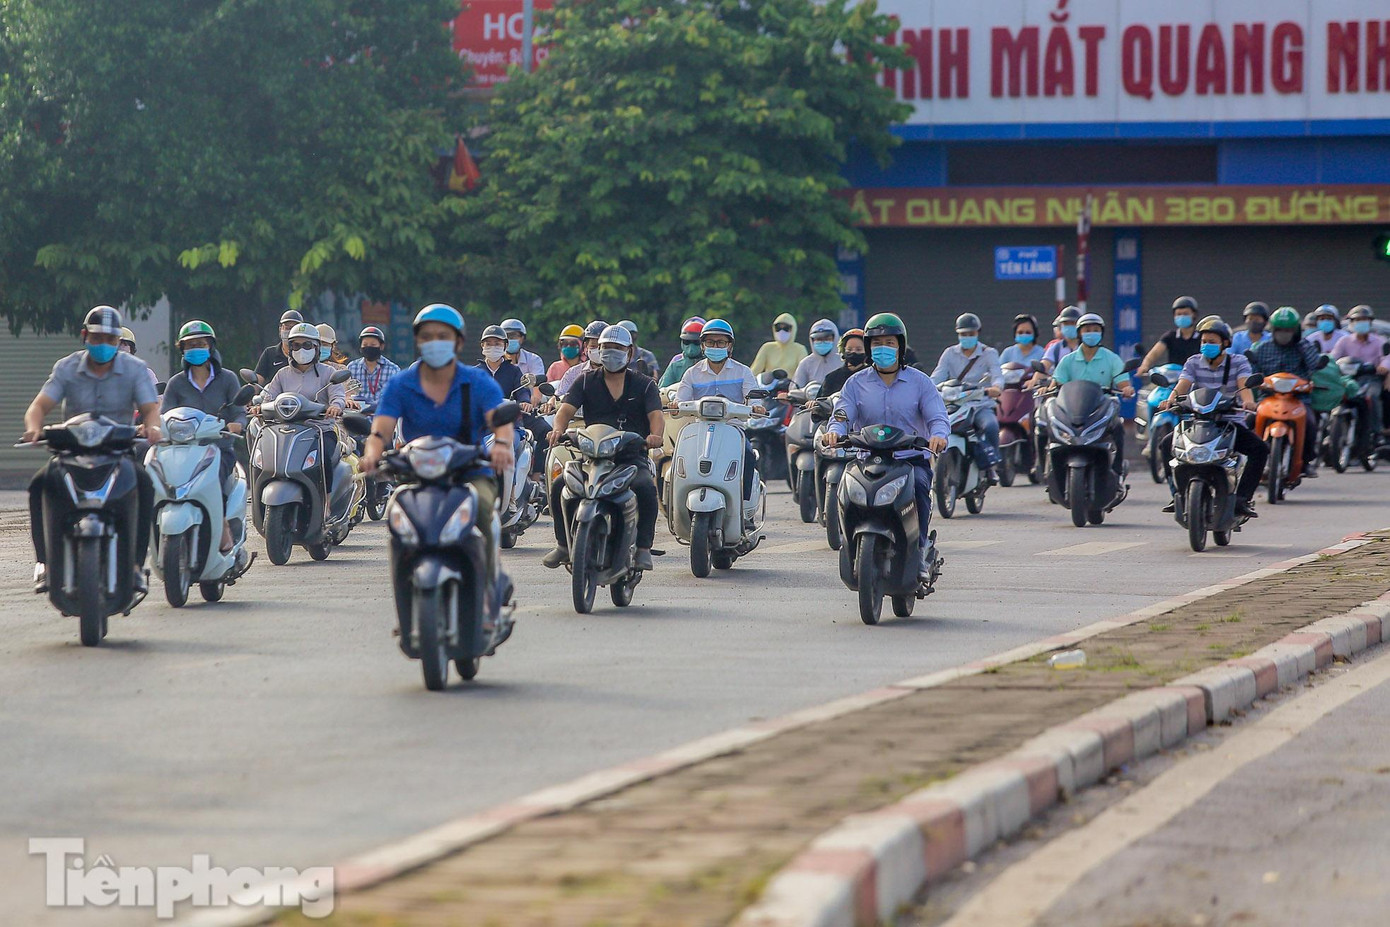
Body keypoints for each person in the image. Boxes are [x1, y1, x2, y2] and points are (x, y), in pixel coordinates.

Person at [361, 304, 514, 588]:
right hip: (415, 476)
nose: (435, 342)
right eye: (427, 336)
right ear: (418, 341)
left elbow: (499, 419)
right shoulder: (401, 384)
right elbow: (381, 429)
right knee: (397, 519)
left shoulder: (477, 381)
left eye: (443, 336)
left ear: (458, 341)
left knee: (483, 509)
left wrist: (503, 444)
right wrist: (372, 454)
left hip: (468, 473)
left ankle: (492, 581)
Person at [22, 306, 161, 594]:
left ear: (118, 341)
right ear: (85, 336)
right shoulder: (66, 367)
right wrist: (35, 427)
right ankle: (45, 564)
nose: (104, 345)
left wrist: (152, 426)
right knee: (39, 485)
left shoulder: (135, 369)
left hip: (117, 454)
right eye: (97, 338)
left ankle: (136, 566)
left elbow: (150, 409)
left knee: (145, 484)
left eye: (111, 340)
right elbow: (39, 407)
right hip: (71, 454)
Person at [824, 312, 948, 581]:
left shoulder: (920, 382)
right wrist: (834, 432)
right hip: (867, 460)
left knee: (919, 486)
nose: (883, 349)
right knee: (845, 490)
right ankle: (849, 545)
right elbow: (842, 415)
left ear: (901, 347)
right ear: (869, 348)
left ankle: (921, 547)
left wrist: (938, 436)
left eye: (890, 343)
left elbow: (937, 417)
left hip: (909, 459)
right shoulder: (855, 383)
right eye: (877, 344)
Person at [543, 325, 663, 571]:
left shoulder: (644, 384)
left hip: (630, 457)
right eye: (606, 347)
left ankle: (643, 548)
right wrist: (558, 428)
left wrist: (655, 436)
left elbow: (656, 416)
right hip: (591, 456)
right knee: (558, 485)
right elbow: (565, 410)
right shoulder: (585, 380)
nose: (611, 353)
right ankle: (563, 545)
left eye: (618, 348)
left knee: (646, 488)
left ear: (629, 353)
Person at [1159, 320, 1267, 518]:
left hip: (1229, 422)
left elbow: (1245, 386)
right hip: (1197, 421)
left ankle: (1242, 499)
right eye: (1203, 341)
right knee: (1167, 444)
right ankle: (1177, 495)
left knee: (1260, 449)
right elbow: (1183, 385)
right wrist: (1170, 400)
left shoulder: (1238, 362)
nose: (1206, 345)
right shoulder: (1193, 362)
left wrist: (1248, 402)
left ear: (1225, 343)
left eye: (1212, 341)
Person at [159, 320, 248, 552]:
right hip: (182, 451)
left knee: (213, 477)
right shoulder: (176, 383)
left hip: (218, 449)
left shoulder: (228, 379)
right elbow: (163, 415)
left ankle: (223, 525)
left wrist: (236, 424)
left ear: (210, 346)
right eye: (190, 345)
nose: (195, 349)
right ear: (182, 350)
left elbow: (240, 412)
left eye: (200, 343)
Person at [674, 318, 762, 507]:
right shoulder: (691, 374)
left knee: (748, 454)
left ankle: (745, 505)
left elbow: (753, 397)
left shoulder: (743, 372)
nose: (715, 346)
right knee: (679, 458)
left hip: (733, 430)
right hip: (699, 431)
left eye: (721, 342)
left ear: (729, 345)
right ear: (703, 346)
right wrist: (676, 406)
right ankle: (678, 504)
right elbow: (680, 400)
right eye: (710, 342)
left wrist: (756, 406)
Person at [1050, 312, 1136, 475]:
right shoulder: (1068, 360)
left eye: (1095, 330)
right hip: (1073, 410)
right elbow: (1057, 382)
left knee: (1117, 427)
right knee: (1051, 427)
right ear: (1079, 334)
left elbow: (1123, 383)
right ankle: (1053, 471)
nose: (1091, 333)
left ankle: (1117, 469)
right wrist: (1047, 388)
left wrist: (1126, 389)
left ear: (1101, 333)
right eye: (1087, 330)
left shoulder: (1112, 359)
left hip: (1102, 408)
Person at [1248, 307, 1323, 476]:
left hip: (1298, 399)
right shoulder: (1262, 348)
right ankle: (1246, 461)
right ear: (1273, 330)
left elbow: (1314, 364)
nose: (1284, 334)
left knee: (1310, 423)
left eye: (1288, 331)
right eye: (1280, 330)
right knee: (1248, 422)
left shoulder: (1304, 346)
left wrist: (1301, 343)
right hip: (1268, 397)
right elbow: (1252, 371)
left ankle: (1305, 462)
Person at [931, 312, 1003, 481]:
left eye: (971, 334)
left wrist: (996, 387)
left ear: (978, 333)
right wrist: (926, 388)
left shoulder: (989, 353)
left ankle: (991, 465)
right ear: (958, 334)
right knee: (937, 429)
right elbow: (937, 376)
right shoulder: (949, 353)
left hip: (980, 404)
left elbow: (997, 374)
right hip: (955, 403)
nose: (967, 337)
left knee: (991, 426)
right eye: (964, 334)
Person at [1330, 305, 1389, 436]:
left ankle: (1376, 431)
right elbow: (1333, 358)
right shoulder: (1344, 341)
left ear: (1370, 322)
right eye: (1357, 320)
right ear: (1351, 323)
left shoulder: (1379, 341)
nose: (1361, 323)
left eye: (1364, 320)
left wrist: (1383, 366)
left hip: (1371, 379)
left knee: (1371, 396)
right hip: (1347, 379)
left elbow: (1386, 358)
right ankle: (1328, 429)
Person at [1138, 296, 1202, 375]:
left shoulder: (1202, 337)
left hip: (1197, 380)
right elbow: (1155, 353)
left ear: (1194, 315)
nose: (1182, 317)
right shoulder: (1170, 336)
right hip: (1173, 379)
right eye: (1178, 314)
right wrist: (1145, 365)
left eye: (1185, 314)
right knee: (1151, 387)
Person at [346, 326, 401, 407]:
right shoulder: (352, 368)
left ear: (381, 346)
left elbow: (397, 397)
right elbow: (345, 394)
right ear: (360, 347)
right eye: (365, 344)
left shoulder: (393, 370)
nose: (368, 347)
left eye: (373, 344)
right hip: (357, 416)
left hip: (382, 416)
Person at [557, 320, 608, 395]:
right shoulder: (573, 373)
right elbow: (559, 398)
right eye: (593, 346)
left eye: (603, 347)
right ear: (585, 346)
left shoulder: (621, 374)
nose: (599, 350)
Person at [477, 324, 525, 402]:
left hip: (507, 413)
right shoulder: (475, 373)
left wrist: (525, 402)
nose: (493, 347)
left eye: (497, 344)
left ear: (506, 345)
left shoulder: (514, 371)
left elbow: (522, 392)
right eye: (488, 344)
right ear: (482, 345)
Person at [254, 310, 304, 384]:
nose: (290, 332)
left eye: (294, 329)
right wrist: (250, 390)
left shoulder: (306, 354)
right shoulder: (269, 354)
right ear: (280, 329)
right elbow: (258, 381)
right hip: (274, 394)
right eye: (287, 328)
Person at [750, 312, 807, 377]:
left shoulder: (800, 349)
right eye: (778, 328)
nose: (781, 331)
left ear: (793, 329)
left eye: (786, 328)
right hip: (769, 386)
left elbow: (804, 373)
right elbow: (755, 370)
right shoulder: (767, 347)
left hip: (791, 386)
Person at [793, 319, 842, 387]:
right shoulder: (806, 363)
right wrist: (806, 392)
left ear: (835, 338)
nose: (822, 342)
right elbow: (795, 389)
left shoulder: (843, 361)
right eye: (818, 339)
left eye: (827, 339)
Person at [659, 318, 706, 388]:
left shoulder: (712, 363)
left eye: (696, 342)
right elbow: (662, 391)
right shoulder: (675, 366)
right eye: (687, 342)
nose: (691, 347)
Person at [820, 329, 866, 397]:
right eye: (849, 349)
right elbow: (821, 402)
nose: (853, 352)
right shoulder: (832, 378)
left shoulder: (873, 376)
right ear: (843, 351)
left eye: (858, 350)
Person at [1042, 306, 1083, 373]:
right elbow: (1044, 367)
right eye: (1066, 323)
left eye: (1073, 323)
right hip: (1059, 382)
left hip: (1083, 382)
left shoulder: (1088, 347)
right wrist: (1036, 378)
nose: (1069, 326)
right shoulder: (1055, 348)